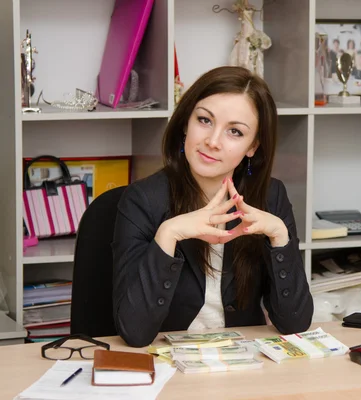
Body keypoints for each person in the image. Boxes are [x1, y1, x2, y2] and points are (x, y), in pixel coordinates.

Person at [112, 66, 314, 347]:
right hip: (169, 367)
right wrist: (168, 234)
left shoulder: (271, 196)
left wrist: (280, 236)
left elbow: (295, 323)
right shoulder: (143, 200)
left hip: (242, 363)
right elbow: (134, 333)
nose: (213, 141)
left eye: (234, 131)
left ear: (253, 146)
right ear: (186, 123)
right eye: (204, 120)